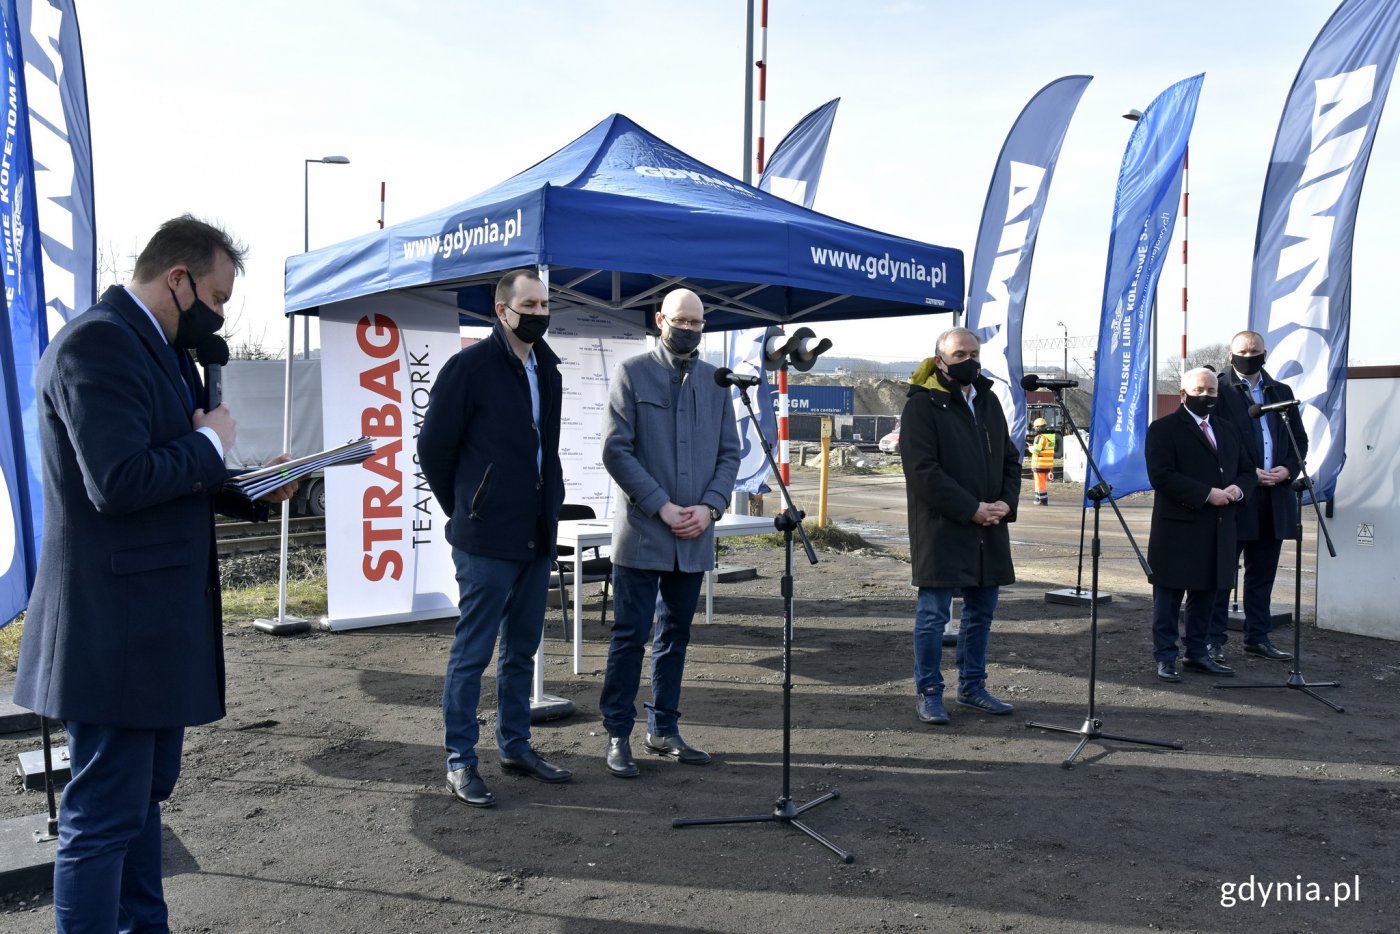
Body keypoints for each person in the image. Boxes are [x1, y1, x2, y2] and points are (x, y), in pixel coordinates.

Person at [13, 216, 298, 932]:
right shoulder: (98, 344)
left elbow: (171, 470)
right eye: (219, 296)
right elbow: (118, 479)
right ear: (178, 280)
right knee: (103, 815)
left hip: (145, 631)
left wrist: (250, 484)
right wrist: (208, 441)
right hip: (111, 632)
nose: (221, 314)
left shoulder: (159, 351)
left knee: (138, 804)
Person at [418, 268, 570, 808]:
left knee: (522, 648)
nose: (538, 313)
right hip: (484, 537)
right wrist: (466, 509)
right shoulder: (469, 368)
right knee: (473, 651)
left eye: (544, 304)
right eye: (528, 304)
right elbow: (434, 450)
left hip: (534, 532)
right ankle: (460, 760)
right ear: (501, 309)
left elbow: (542, 450)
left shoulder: (547, 369)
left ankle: (516, 745)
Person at [598, 288, 740, 777]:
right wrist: (660, 506)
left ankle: (664, 728)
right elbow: (617, 450)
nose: (689, 329)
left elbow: (730, 453)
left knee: (675, 636)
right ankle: (618, 733)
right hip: (642, 533)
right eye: (681, 319)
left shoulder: (717, 381)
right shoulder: (632, 374)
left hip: (693, 537)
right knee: (630, 636)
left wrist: (711, 507)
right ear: (660, 319)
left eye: (697, 322)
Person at [900, 327, 1021, 725]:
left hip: (989, 528)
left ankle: (972, 686)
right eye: (958, 354)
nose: (968, 360)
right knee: (934, 615)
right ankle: (930, 691)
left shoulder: (988, 401)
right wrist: (970, 508)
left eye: (973, 352)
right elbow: (922, 472)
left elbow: (1010, 460)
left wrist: (1006, 502)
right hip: (942, 528)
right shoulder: (921, 406)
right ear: (940, 361)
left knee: (981, 613)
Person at [1145, 367, 1257, 682]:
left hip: (1220, 527)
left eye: (1211, 392)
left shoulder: (1228, 429)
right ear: (1183, 395)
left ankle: (1197, 652)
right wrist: (1206, 494)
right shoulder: (1163, 429)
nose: (1206, 396)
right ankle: (1166, 657)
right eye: (1199, 391)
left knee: (1207, 594)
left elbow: (1248, 471)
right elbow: (1162, 476)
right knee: (1168, 598)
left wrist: (1239, 489)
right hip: (1178, 528)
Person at [1208, 329, 1306, 663]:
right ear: (1230, 354)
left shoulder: (1281, 391)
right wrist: (1247, 474)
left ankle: (1258, 637)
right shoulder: (1218, 391)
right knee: (1223, 574)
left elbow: (1299, 441)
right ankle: (1213, 640)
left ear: (1265, 353)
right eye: (1242, 351)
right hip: (1236, 496)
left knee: (1262, 574)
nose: (1249, 356)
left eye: (1255, 351)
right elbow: (1212, 442)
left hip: (1274, 497)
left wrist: (1288, 470)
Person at [1029, 417, 1056, 505]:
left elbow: (1036, 450)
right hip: (1047, 464)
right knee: (1041, 482)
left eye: (1036, 428)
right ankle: (1038, 498)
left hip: (1039, 464)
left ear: (1038, 428)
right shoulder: (1051, 437)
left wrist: (1029, 447)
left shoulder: (1040, 437)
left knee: (1040, 483)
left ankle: (1043, 500)